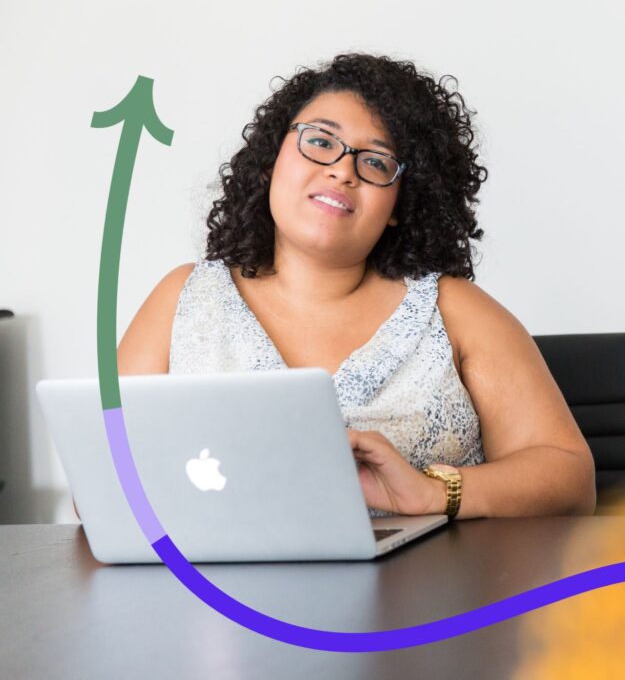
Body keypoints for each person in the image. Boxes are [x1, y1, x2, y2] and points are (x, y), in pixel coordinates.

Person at [117, 52, 596, 518]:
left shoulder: (455, 311)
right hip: (215, 594)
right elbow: (102, 484)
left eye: (376, 162)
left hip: (428, 594)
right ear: (270, 163)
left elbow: (570, 476)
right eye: (321, 142)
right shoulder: (182, 299)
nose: (343, 170)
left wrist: (432, 493)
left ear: (399, 207)